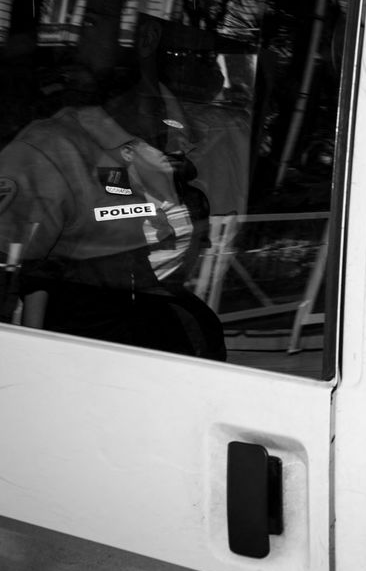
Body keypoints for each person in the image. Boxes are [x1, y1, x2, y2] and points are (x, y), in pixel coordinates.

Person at [0, 32, 225, 359]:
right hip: (80, 342)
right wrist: (31, 353)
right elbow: (21, 270)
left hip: (139, 324)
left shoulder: (153, 145)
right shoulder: (52, 151)